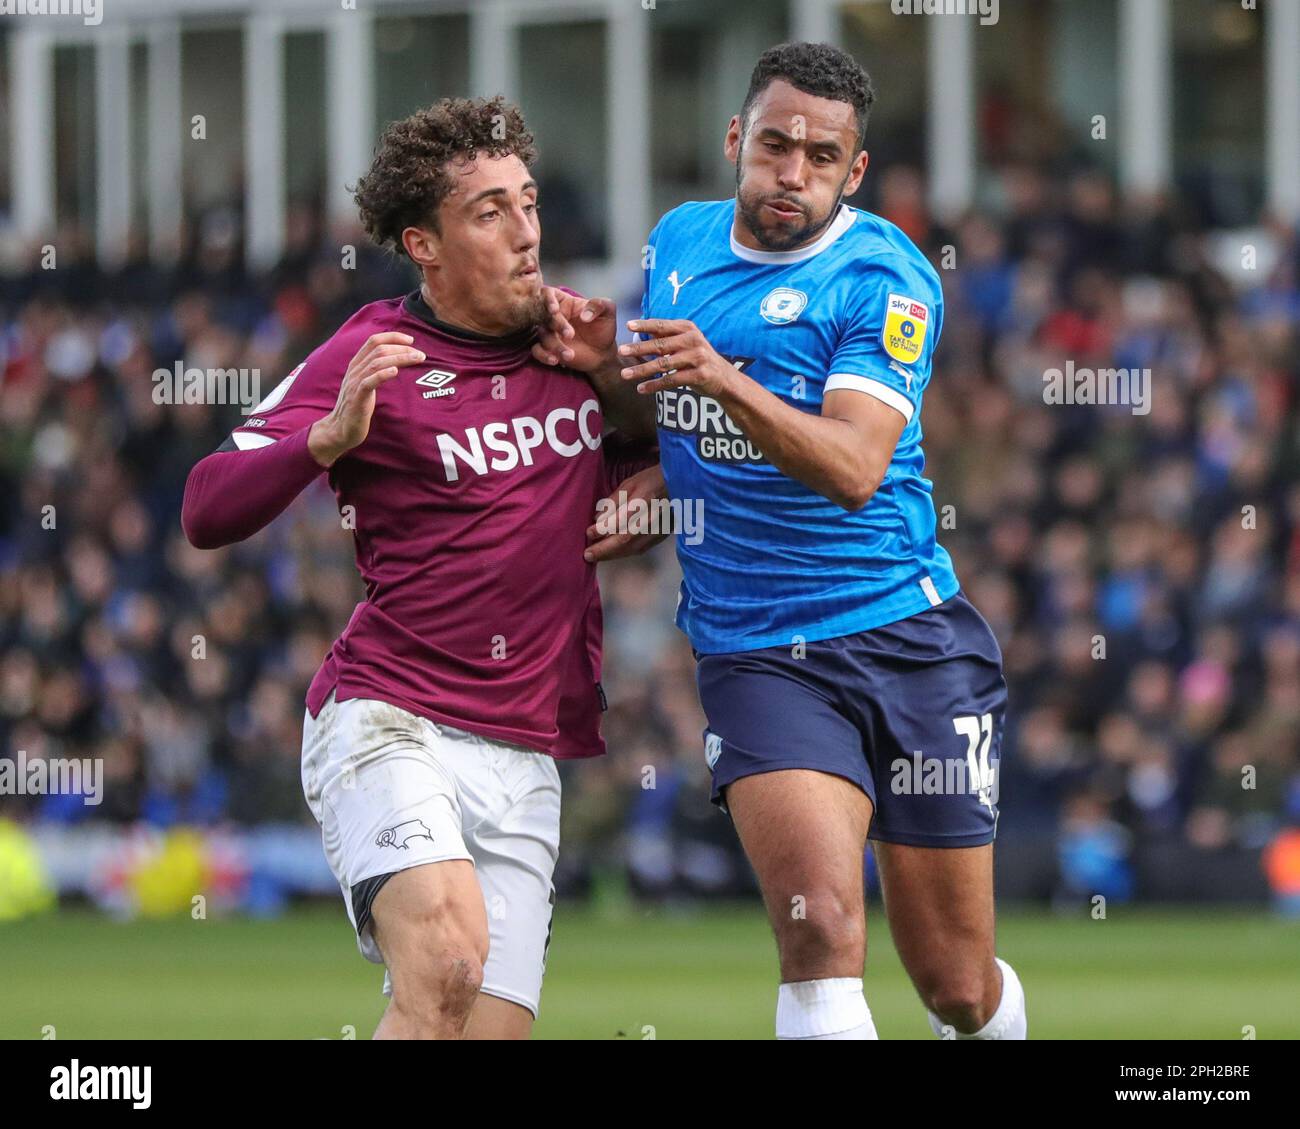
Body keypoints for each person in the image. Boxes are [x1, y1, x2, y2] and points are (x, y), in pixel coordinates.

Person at [538, 42, 1024, 1041]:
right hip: (757, 650)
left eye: (818, 156)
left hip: (906, 639)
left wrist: (722, 379)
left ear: (853, 171)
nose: (789, 174)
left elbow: (851, 468)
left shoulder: (884, 277)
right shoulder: (676, 243)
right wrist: (639, 451)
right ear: (734, 142)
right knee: (819, 927)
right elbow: (667, 406)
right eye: (773, 146)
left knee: (957, 988)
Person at [182, 96, 658, 1040]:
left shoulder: (579, 343)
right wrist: (320, 441)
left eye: (527, 202)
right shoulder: (373, 349)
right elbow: (205, 503)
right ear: (424, 243)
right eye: (490, 212)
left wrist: (625, 417)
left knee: (471, 1027)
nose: (527, 233)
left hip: (527, 746)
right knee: (445, 962)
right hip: (390, 714)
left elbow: (658, 462)